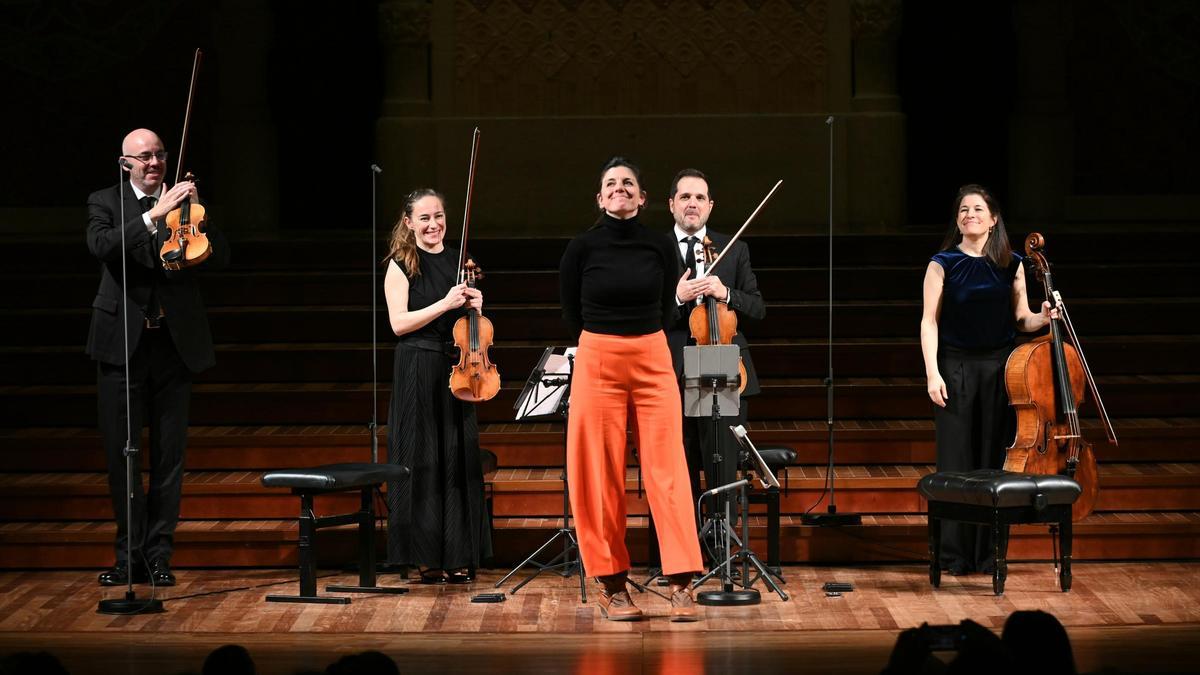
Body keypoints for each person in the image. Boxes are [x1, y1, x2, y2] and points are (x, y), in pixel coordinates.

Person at [559, 157, 704, 622]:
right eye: (611, 184)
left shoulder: (662, 246)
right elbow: (571, 314)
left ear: (642, 198)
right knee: (599, 475)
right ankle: (612, 584)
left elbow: (666, 310)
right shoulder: (580, 248)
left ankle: (681, 581)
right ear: (600, 198)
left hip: (652, 354)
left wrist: (641, 339)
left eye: (629, 184)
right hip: (598, 355)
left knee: (668, 469)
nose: (619, 189)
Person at [87, 128, 229, 587]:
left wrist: (197, 226)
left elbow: (224, 258)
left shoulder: (188, 204)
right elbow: (104, 247)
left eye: (160, 155)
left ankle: (159, 557)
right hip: (122, 347)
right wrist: (154, 217)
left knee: (170, 458)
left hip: (173, 346)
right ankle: (128, 559)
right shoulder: (105, 201)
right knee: (122, 455)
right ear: (124, 162)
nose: (154, 162)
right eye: (144, 156)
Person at [919, 184, 1054, 575]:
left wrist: (1044, 316)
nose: (970, 214)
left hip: (1002, 372)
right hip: (956, 368)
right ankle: (953, 555)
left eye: (978, 209)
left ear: (993, 219)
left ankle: (988, 553)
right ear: (958, 220)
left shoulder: (1011, 263)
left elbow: (1022, 318)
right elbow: (929, 321)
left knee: (994, 461)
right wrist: (933, 372)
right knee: (956, 462)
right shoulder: (941, 262)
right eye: (963, 210)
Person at [382, 188, 492, 584]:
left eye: (439, 216)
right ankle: (424, 557)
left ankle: (459, 555)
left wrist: (475, 307)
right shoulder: (400, 264)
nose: (434, 225)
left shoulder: (461, 262)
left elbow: (470, 323)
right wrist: (445, 304)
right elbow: (398, 324)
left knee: (458, 460)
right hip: (417, 365)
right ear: (409, 223)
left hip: (457, 367)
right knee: (423, 460)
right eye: (425, 218)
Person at [666, 169, 765, 515]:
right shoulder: (655, 250)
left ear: (710, 206)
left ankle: (723, 551)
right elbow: (640, 314)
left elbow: (757, 308)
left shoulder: (734, 249)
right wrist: (676, 298)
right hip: (672, 370)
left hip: (722, 364)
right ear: (671, 205)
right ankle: (680, 558)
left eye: (699, 198)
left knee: (722, 466)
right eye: (685, 197)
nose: (692, 204)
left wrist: (726, 293)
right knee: (677, 467)